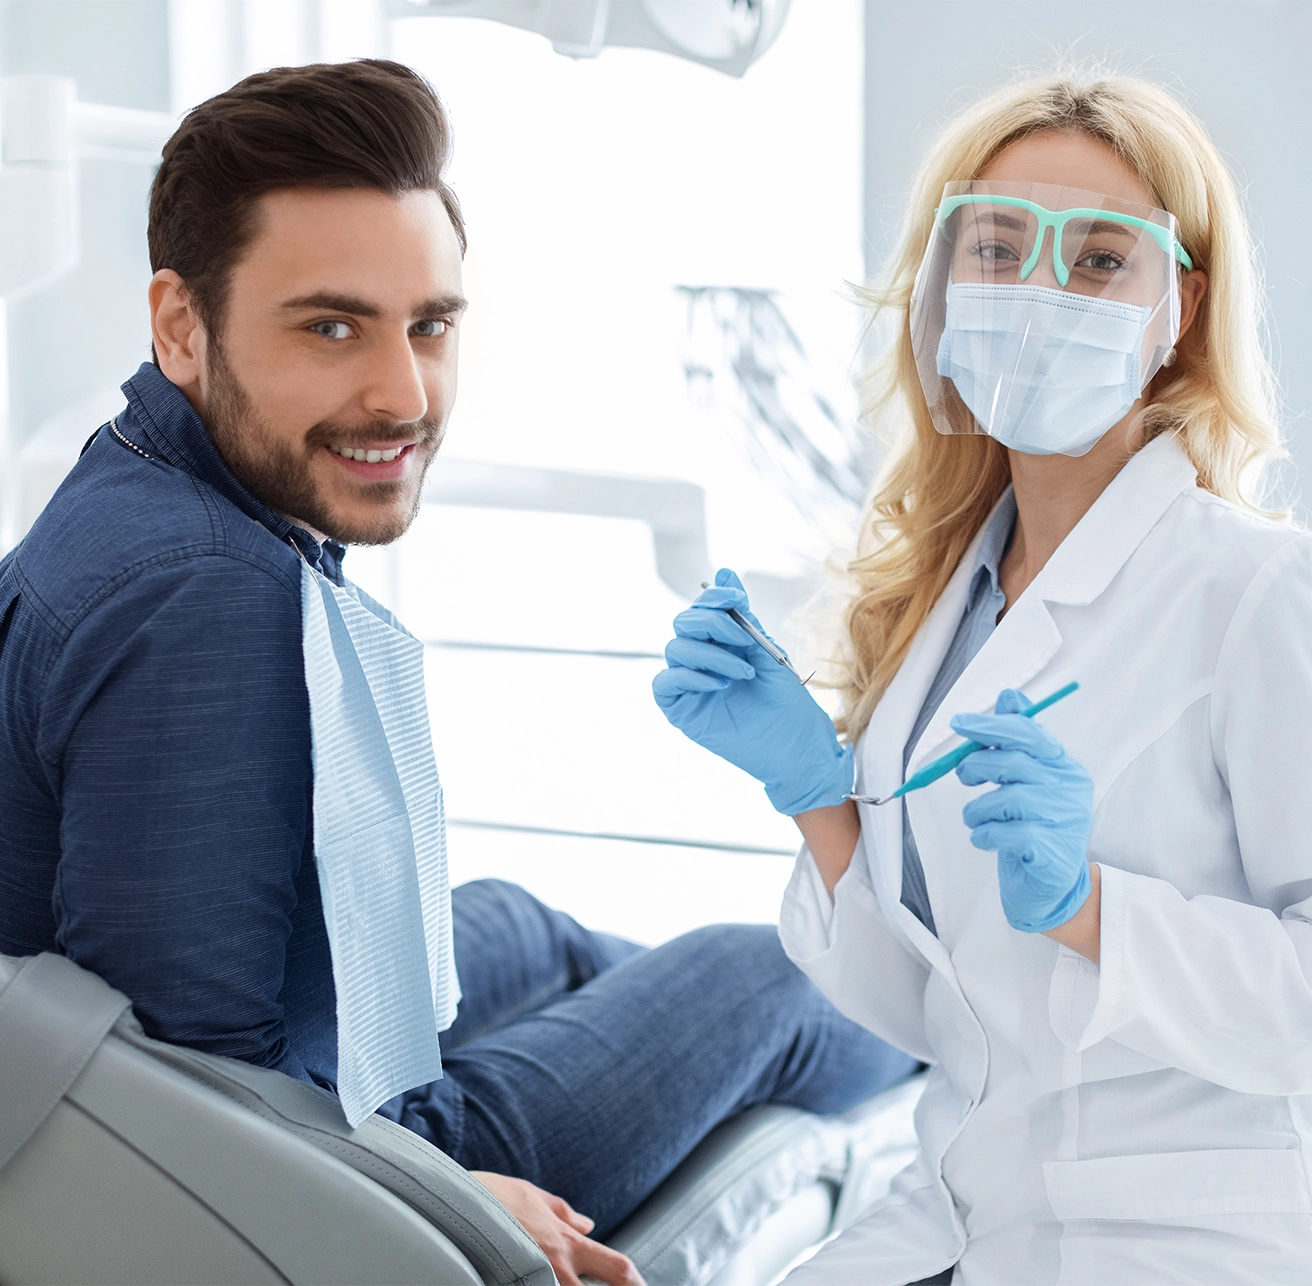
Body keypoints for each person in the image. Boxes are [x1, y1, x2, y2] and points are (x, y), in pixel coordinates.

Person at [0, 59, 918, 1286]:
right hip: (330, 1164)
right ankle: (962, 1048)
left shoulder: (137, 479)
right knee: (770, 970)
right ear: (180, 322)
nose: (403, 393)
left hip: (268, 1076)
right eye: (330, 326)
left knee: (524, 927)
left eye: (427, 324)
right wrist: (456, 1191)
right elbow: (197, 1110)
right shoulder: (202, 593)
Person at [655, 71, 1312, 1284]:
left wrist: (1087, 907)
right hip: (974, 1214)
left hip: (1210, 1242)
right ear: (943, 285)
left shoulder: (1262, 592)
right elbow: (938, 1014)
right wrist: (815, 795)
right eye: (995, 248)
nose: (1039, 292)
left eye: (1100, 261)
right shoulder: (948, 597)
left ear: (1179, 309)